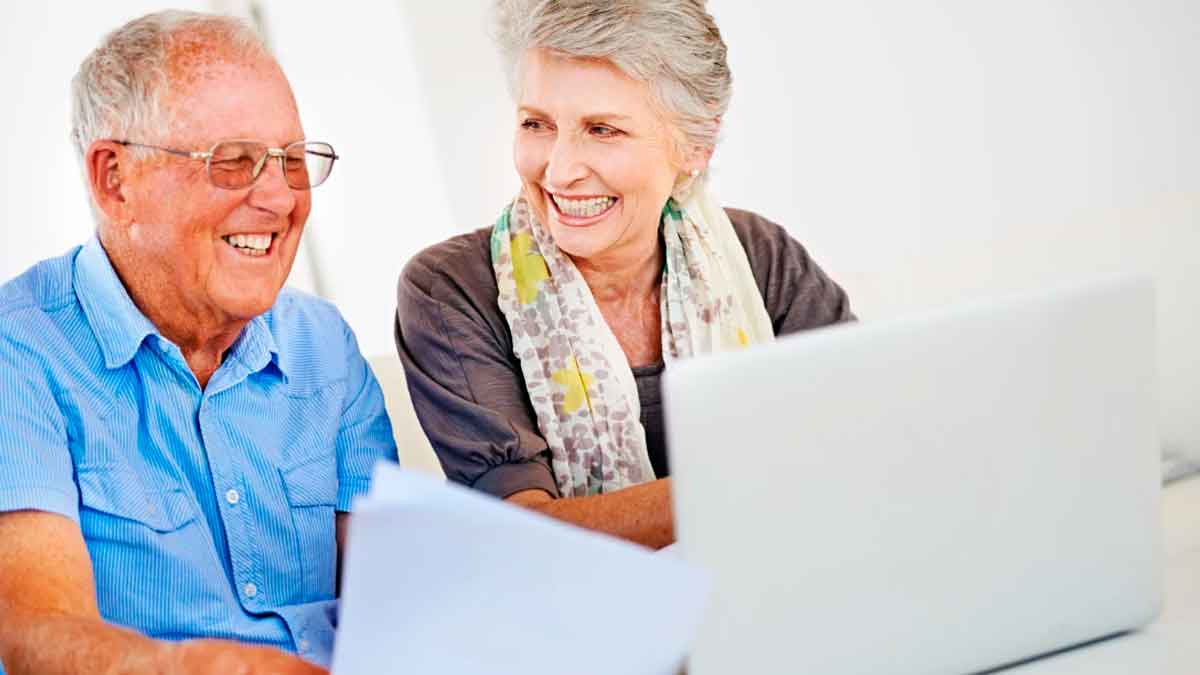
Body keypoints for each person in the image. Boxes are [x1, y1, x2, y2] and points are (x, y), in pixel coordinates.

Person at [0, 11, 396, 674]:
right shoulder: (20, 354)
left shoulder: (324, 345)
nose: (279, 198)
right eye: (235, 163)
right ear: (114, 179)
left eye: (294, 161)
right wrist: (202, 668)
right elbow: (34, 630)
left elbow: (396, 598)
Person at [395, 0, 853, 550]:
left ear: (696, 146)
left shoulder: (761, 255)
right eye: (536, 123)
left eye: (603, 130)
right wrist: (763, 482)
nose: (560, 170)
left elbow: (864, 435)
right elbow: (521, 537)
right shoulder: (451, 290)